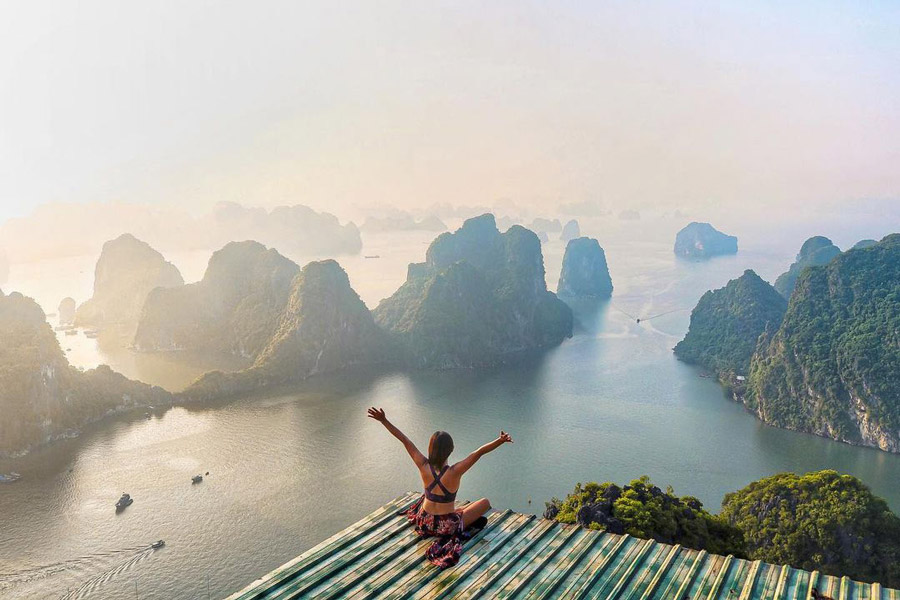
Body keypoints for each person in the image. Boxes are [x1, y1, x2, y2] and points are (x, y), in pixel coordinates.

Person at [367, 406, 513, 568]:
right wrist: (500, 441)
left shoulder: (423, 465)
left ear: (431, 449)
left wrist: (384, 420)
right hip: (446, 527)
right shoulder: (455, 471)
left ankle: (458, 514)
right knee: (484, 502)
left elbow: (405, 440)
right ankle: (460, 518)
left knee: (460, 509)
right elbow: (478, 453)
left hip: (424, 521)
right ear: (451, 450)